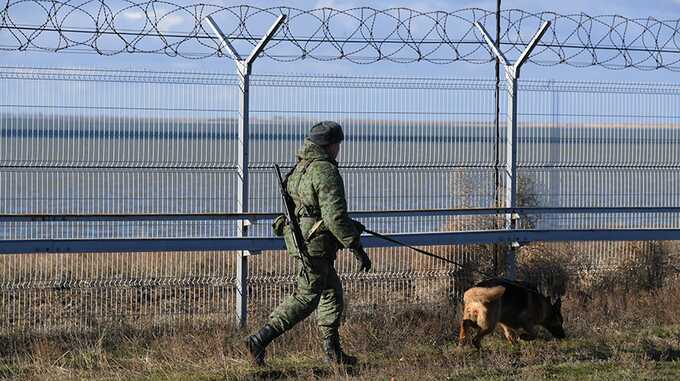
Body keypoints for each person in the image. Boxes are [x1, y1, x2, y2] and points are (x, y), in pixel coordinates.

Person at [245, 121, 372, 366]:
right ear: (329, 145)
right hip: (314, 245)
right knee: (306, 297)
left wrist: (349, 227)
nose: (339, 150)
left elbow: (310, 211)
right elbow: (334, 217)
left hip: (303, 240)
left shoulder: (301, 167)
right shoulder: (324, 170)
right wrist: (356, 246)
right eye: (337, 145)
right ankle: (259, 339)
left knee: (331, 292)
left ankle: (332, 352)